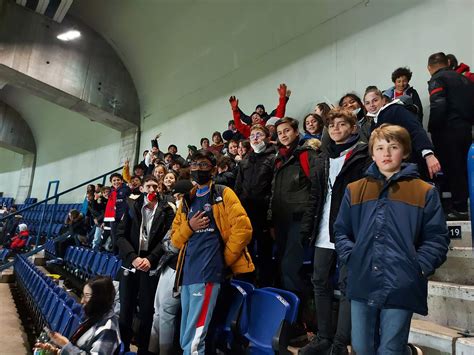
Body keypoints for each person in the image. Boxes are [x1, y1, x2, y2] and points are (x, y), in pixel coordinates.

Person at [334, 124, 449, 355]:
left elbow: (437, 237)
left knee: (390, 349)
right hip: (362, 277)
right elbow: (341, 232)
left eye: (393, 147)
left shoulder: (424, 191)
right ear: (372, 153)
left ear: (404, 152)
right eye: (380, 148)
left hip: (402, 281)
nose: (386, 153)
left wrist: (419, 266)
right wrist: (353, 257)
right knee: (361, 346)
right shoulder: (355, 190)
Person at [300, 108, 371, 355]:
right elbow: (315, 196)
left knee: (347, 285)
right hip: (322, 230)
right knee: (319, 281)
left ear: (353, 128)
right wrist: (307, 228)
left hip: (349, 231)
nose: (336, 129)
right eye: (332, 125)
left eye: (342, 124)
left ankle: (340, 343)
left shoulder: (363, 155)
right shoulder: (323, 157)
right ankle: (324, 337)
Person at [171, 150, 254, 355]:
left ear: (214, 170)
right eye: (195, 165)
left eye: (204, 165)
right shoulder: (187, 200)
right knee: (186, 336)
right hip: (187, 273)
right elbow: (175, 239)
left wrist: (222, 260)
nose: (198, 169)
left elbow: (243, 229)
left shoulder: (223, 192)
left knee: (196, 338)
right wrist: (190, 226)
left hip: (208, 273)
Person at [116, 175, 176, 355]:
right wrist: (133, 257)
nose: (152, 190)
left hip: (151, 264)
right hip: (131, 262)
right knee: (125, 308)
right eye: (148, 186)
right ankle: (123, 347)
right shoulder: (131, 207)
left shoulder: (167, 210)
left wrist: (150, 259)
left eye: (155, 186)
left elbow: (167, 239)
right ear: (141, 189)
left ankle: (143, 349)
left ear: (159, 188)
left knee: (147, 310)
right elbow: (120, 236)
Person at [271, 117, 318, 311]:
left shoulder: (306, 155)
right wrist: (271, 222)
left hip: (300, 221)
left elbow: (317, 189)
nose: (283, 135)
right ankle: (289, 317)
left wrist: (310, 220)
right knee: (282, 270)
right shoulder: (279, 159)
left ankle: (304, 317)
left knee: (291, 269)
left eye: (287, 131)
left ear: (296, 132)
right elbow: (274, 194)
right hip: (282, 222)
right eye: (280, 132)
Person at [427, 52, 474, 220]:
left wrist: (432, 129)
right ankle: (466, 205)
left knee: (453, 169)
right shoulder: (465, 80)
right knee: (465, 168)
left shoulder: (438, 79)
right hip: (466, 130)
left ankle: (458, 208)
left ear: (430, 67)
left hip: (448, 131)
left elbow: (438, 106)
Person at [363, 86, 441, 181]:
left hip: (410, 167)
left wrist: (428, 155)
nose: (371, 105)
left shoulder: (395, 110)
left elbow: (415, 129)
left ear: (383, 100)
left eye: (375, 100)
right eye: (367, 103)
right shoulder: (373, 123)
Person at [234, 124, 276, 286]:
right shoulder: (245, 161)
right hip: (246, 214)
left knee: (265, 252)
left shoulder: (273, 158)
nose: (255, 138)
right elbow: (238, 188)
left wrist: (270, 216)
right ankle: (247, 283)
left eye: (259, 135)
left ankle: (265, 284)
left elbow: (273, 189)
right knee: (246, 251)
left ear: (268, 138)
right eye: (252, 136)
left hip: (264, 214)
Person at [34, 276, 120, 355]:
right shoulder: (95, 318)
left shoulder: (108, 329)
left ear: (99, 299)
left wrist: (65, 345)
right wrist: (56, 351)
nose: (82, 301)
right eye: (83, 295)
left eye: (87, 296)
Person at [104, 173, 131, 254]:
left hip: (123, 218)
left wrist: (125, 215)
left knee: (122, 237)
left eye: (118, 180)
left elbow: (129, 204)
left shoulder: (126, 189)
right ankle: (114, 253)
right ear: (111, 182)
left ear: (121, 180)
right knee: (113, 237)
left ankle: (122, 254)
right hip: (113, 218)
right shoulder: (111, 192)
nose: (116, 182)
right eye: (114, 180)